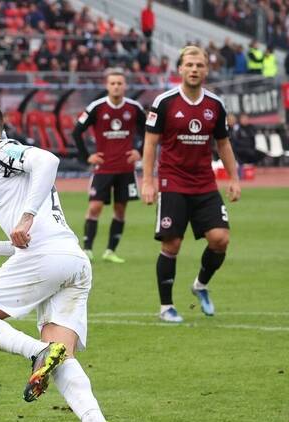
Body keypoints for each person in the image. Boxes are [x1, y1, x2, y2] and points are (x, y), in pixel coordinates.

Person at [0, 101, 114, 422]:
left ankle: (38, 352)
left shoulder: (0, 151)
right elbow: (31, 238)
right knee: (63, 356)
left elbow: (48, 160)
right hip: (71, 259)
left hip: (47, 258)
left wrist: (24, 217)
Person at [141, 46, 240, 323]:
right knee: (172, 244)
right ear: (180, 69)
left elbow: (223, 144)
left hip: (205, 183)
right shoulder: (165, 102)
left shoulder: (215, 105)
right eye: (189, 64)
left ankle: (200, 285)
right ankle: (166, 307)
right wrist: (148, 181)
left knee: (220, 239)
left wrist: (233, 178)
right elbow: (150, 144)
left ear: (206, 70)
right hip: (172, 181)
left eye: (199, 65)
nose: (194, 69)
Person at [71, 68, 146, 263]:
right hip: (103, 168)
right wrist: (87, 156)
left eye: (119, 83)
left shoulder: (134, 108)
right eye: (112, 83)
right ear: (107, 85)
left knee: (120, 210)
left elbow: (150, 132)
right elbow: (76, 132)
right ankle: (87, 249)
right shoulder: (97, 107)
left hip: (126, 169)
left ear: (125, 86)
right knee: (94, 207)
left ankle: (110, 251)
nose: (116, 86)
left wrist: (141, 151)